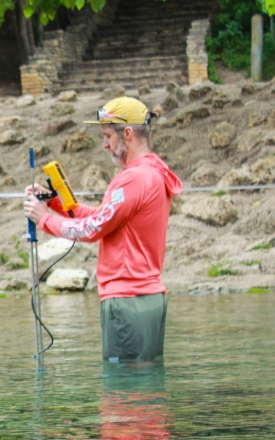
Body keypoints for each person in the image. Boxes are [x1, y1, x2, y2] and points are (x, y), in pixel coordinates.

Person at [23, 96, 183, 363]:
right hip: (144, 299)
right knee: (142, 392)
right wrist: (54, 203)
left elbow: (92, 229)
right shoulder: (151, 172)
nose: (105, 144)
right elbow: (104, 217)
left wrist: (44, 220)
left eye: (108, 136)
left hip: (127, 300)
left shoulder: (135, 178)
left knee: (123, 394)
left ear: (128, 134)